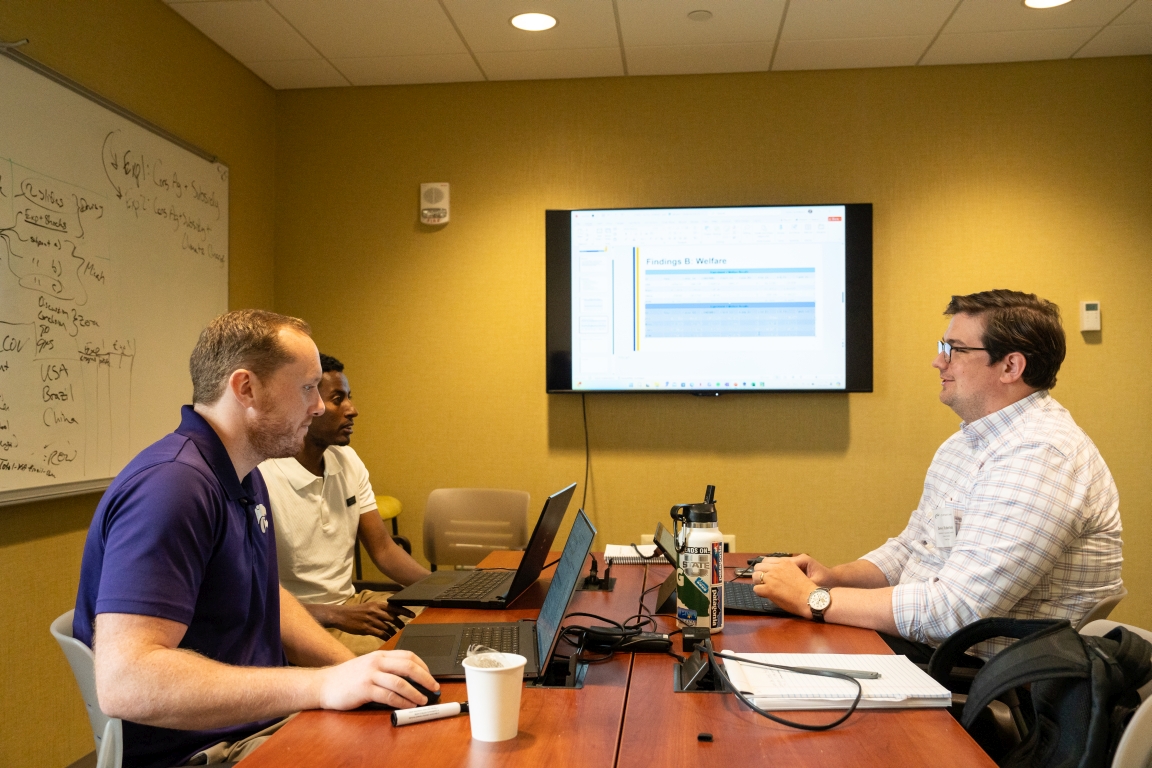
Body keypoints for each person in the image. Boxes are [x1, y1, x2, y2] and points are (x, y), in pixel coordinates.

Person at [73, 310, 438, 768]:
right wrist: (320, 685)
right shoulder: (172, 488)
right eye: (307, 388)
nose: (318, 407)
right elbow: (126, 681)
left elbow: (267, 596)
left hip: (261, 722)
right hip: (205, 749)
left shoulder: (244, 475)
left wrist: (350, 669)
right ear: (246, 388)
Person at [752, 290, 1122, 660]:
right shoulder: (965, 444)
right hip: (929, 648)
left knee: (765, 654)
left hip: (972, 672)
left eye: (955, 350)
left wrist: (814, 599)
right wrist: (834, 578)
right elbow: (913, 549)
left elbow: (955, 612)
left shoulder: (1039, 456)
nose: (938, 361)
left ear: (1011, 366)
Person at [260, 353, 430, 655]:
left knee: (441, 622)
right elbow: (255, 598)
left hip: (351, 604)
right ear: (305, 405)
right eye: (338, 399)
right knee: (407, 653)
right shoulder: (263, 477)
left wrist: (448, 590)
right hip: (302, 621)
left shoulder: (347, 460)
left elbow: (384, 549)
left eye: (349, 397)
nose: (352, 410)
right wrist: (334, 615)